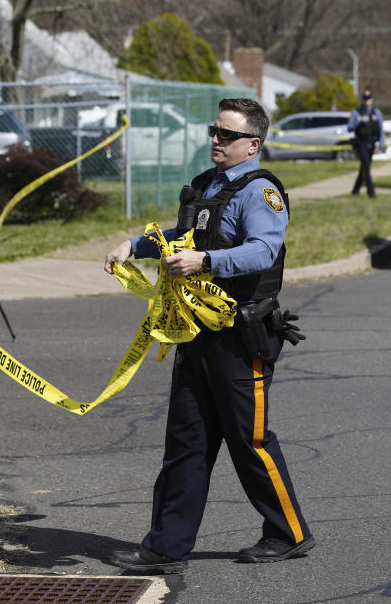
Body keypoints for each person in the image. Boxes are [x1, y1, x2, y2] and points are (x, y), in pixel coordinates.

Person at [103, 98, 314, 574]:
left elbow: (263, 250)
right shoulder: (207, 185)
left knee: (250, 440)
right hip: (194, 330)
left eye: (226, 135)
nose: (215, 140)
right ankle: (165, 546)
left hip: (241, 335)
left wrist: (208, 263)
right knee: (186, 442)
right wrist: (133, 246)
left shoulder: (261, 193)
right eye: (213, 131)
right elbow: (185, 234)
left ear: (252, 144)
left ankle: (289, 534)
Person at [347, 88, 385, 198]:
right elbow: (349, 127)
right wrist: (357, 121)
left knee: (364, 167)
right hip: (361, 143)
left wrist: (380, 144)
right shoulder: (356, 113)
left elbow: (381, 130)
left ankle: (355, 190)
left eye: (368, 99)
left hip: (372, 143)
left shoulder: (376, 113)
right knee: (366, 166)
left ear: (372, 100)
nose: (366, 101)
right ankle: (371, 192)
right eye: (365, 99)